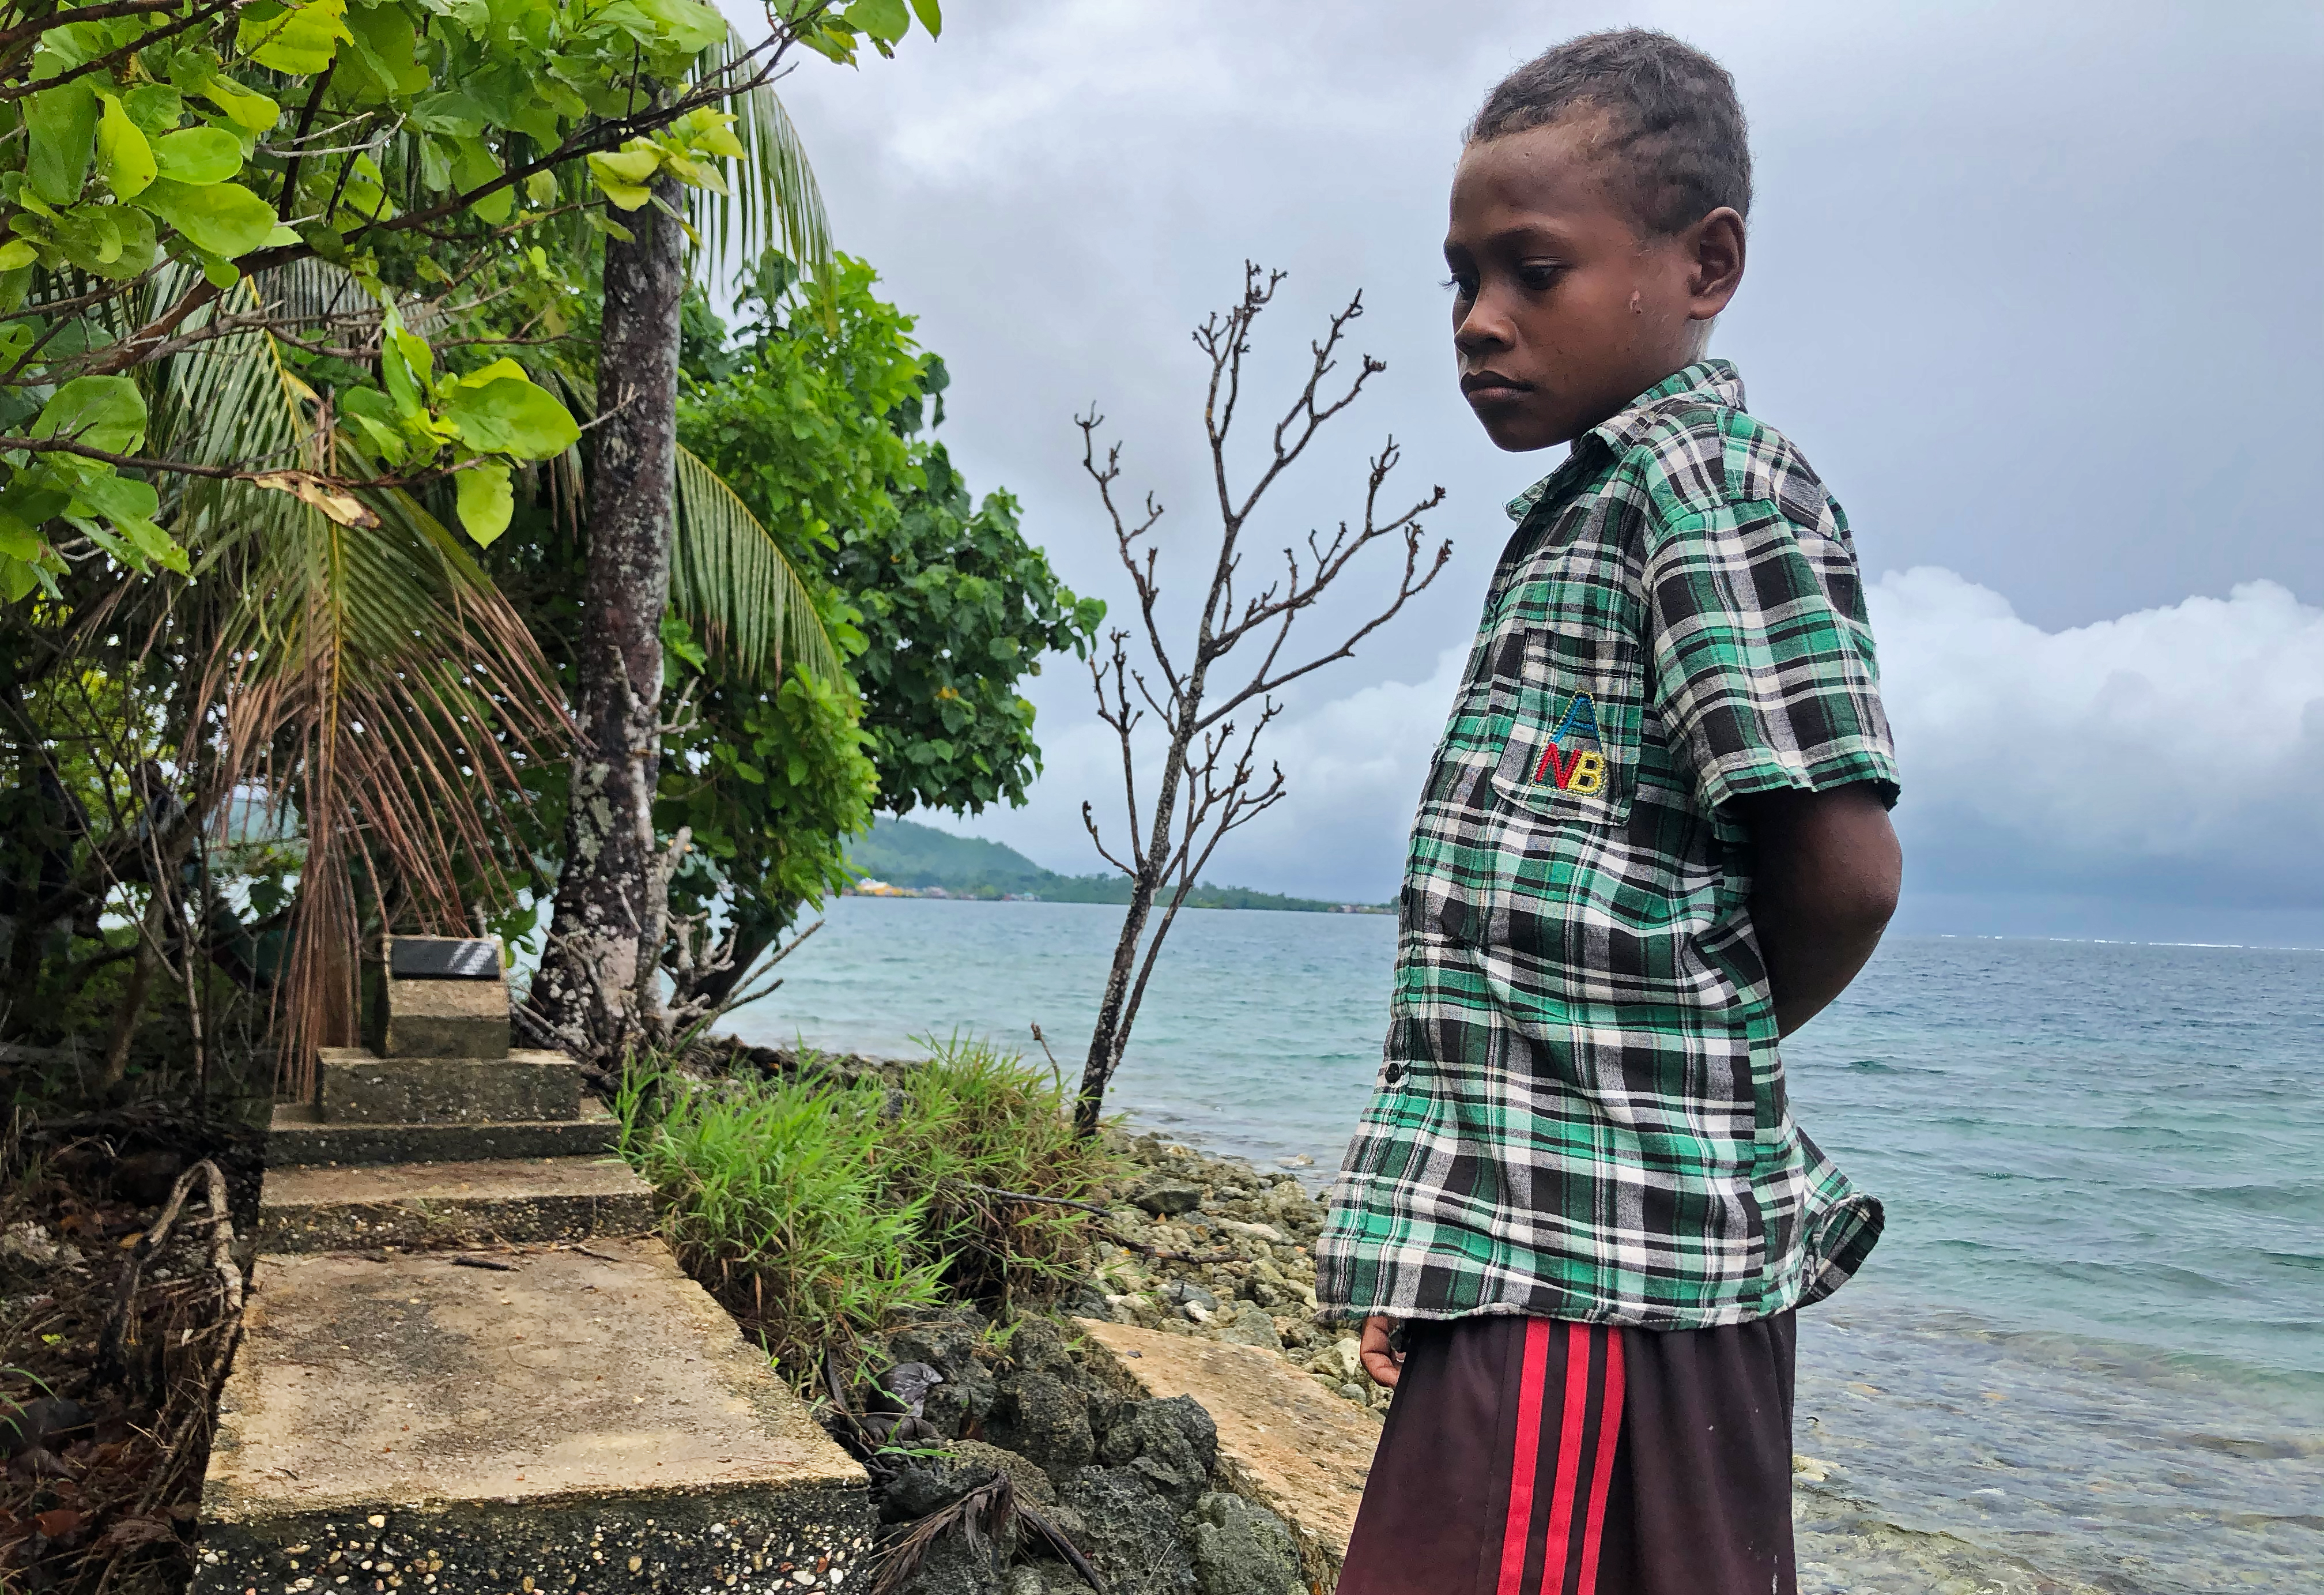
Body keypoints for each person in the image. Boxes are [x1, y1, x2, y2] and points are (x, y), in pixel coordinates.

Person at [1316, 29, 1904, 1595]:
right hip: (1539, 1264)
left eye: (1534, 272)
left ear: (1704, 264)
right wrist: (1442, 1263)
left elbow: (1842, 871)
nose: (1480, 323)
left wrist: (1685, 1070)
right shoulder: (1598, 509)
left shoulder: (1704, 491)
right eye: (1461, 280)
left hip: (1609, 1285)